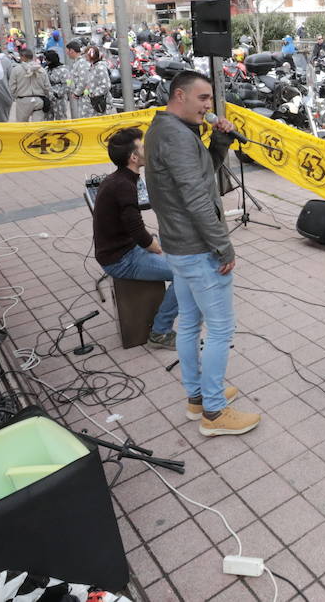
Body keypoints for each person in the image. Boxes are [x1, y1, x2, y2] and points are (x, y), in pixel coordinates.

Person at [145, 72, 259, 436]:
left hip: (182, 247)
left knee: (191, 324)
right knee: (222, 329)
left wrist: (220, 144)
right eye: (203, 98)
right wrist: (222, 244)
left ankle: (197, 396)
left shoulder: (171, 131)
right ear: (179, 95)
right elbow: (196, 199)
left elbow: (200, 176)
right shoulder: (176, 137)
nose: (209, 106)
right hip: (196, 249)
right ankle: (213, 411)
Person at [93, 127, 179, 347]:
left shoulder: (118, 178)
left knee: (168, 246)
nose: (147, 150)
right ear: (133, 157)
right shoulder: (123, 185)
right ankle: (160, 331)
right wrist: (156, 248)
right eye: (143, 147)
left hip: (122, 249)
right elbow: (138, 232)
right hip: (121, 259)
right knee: (187, 275)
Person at [7, 50, 50, 122]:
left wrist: (15, 96)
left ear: (23, 57)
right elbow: (47, 87)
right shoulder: (41, 70)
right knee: (37, 127)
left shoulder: (16, 70)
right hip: (39, 100)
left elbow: (12, 87)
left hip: (23, 100)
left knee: (23, 126)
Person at [74, 45, 110, 117]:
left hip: (99, 101)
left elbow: (106, 86)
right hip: (91, 102)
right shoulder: (92, 67)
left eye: (86, 54)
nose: (84, 57)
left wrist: (92, 94)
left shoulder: (100, 67)